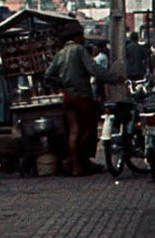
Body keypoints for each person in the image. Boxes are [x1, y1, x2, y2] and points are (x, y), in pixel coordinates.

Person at [45, 25, 121, 175]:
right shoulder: (79, 50)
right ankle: (79, 161)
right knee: (88, 130)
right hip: (82, 97)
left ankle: (76, 165)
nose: (84, 39)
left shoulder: (60, 53)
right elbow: (94, 69)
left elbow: (48, 75)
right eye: (82, 36)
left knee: (74, 131)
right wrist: (114, 78)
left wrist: (62, 84)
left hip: (68, 97)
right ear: (76, 37)